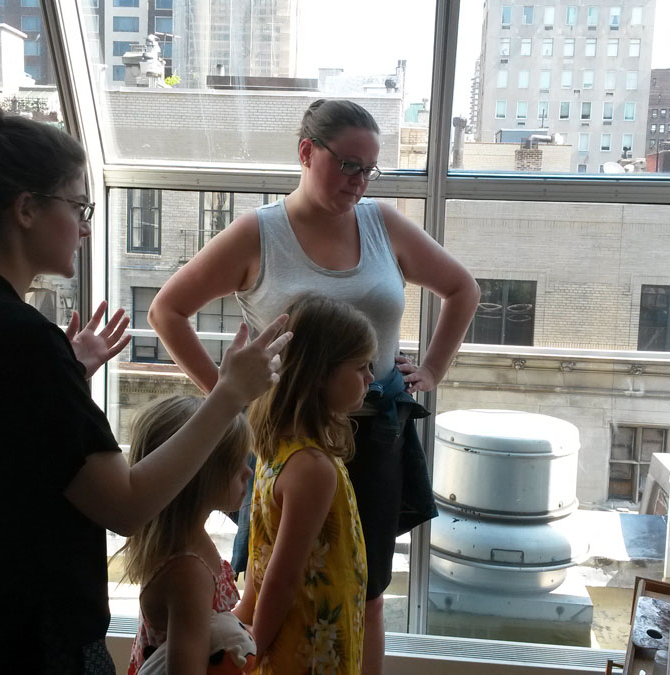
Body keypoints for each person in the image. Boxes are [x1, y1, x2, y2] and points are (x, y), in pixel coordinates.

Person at [0, 102, 290, 674]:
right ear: (27, 209)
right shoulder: (21, 340)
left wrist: (69, 376)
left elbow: (0, 460)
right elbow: (126, 505)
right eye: (78, 205)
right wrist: (228, 394)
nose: (85, 225)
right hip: (28, 648)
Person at [148, 98, 479, 673]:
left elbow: (461, 288)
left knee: (365, 587)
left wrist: (432, 370)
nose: (360, 180)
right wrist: (234, 402)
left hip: (373, 433)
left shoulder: (383, 224)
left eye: (369, 169)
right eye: (349, 164)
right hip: (284, 438)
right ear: (307, 152)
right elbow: (166, 311)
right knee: (266, 570)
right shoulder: (259, 234)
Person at [231, 294, 374, 673]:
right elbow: (282, 576)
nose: (371, 378)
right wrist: (253, 650)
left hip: (293, 636)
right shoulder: (311, 467)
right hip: (309, 646)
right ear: (319, 373)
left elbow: (261, 554)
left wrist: (244, 615)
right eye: (360, 366)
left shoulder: (275, 446)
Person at [121, 396, 255, 675]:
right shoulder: (188, 571)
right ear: (198, 475)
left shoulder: (188, 539)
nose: (248, 472)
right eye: (236, 463)